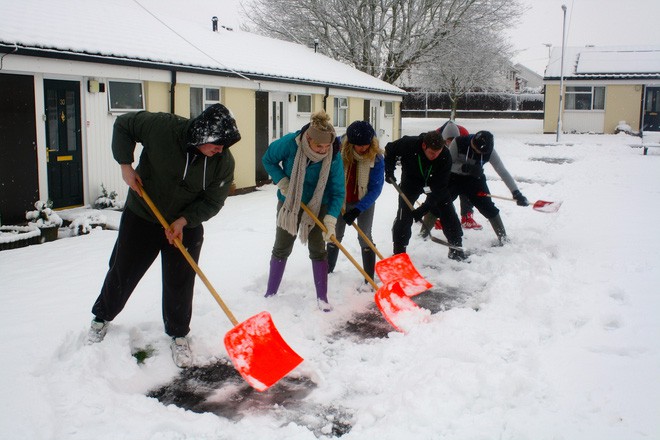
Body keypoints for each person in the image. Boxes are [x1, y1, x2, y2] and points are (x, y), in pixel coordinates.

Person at [86, 104, 241, 369]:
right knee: (124, 270)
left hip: (185, 224)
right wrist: (126, 165)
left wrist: (184, 220)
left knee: (181, 280)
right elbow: (124, 124)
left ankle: (179, 335)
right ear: (203, 135)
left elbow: (214, 201)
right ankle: (101, 318)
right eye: (216, 145)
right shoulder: (163, 128)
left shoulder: (222, 162)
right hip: (143, 214)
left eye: (223, 147)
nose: (220, 151)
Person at [262, 111, 345, 312]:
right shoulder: (291, 143)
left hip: (319, 205)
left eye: (327, 146)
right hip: (289, 203)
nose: (324, 150)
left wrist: (331, 218)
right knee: (282, 247)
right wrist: (282, 181)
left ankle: (322, 298)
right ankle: (270, 293)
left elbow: (337, 190)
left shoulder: (333, 154)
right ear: (308, 138)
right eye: (319, 146)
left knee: (318, 250)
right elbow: (268, 159)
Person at [384, 130, 467, 261]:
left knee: (448, 211)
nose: (435, 156)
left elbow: (440, 188)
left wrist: (424, 208)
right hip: (411, 183)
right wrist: (389, 170)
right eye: (432, 153)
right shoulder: (409, 144)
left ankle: (456, 247)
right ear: (424, 146)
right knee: (403, 216)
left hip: (434, 184)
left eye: (437, 153)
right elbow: (389, 149)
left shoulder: (445, 156)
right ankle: (399, 252)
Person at [327, 120, 384, 287]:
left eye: (366, 144)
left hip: (364, 201)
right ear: (350, 143)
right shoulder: (336, 149)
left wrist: (358, 209)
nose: (363, 148)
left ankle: (369, 278)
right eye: (359, 145)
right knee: (334, 235)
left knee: (365, 236)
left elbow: (376, 188)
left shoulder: (376, 157)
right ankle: (328, 271)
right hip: (339, 200)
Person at [447, 130, 529, 245]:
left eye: (481, 152)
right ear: (473, 142)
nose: (478, 153)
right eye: (477, 149)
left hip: (475, 180)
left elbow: (502, 171)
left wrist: (516, 192)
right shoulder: (458, 142)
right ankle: (423, 234)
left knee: (489, 208)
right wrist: (464, 168)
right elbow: (447, 164)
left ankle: (503, 238)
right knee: (440, 203)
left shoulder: (489, 151)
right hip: (453, 178)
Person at [420, 121, 482, 236]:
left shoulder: (464, 135)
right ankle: (431, 215)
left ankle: (467, 216)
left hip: (461, 168)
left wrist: (465, 168)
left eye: (454, 141)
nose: (451, 144)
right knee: (436, 188)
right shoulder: (436, 137)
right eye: (448, 141)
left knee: (465, 188)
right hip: (442, 167)